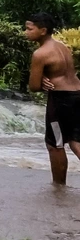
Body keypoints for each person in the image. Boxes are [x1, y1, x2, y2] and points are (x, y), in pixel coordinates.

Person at [25, 12, 80, 184]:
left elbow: (33, 87)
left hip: (61, 100)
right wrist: (43, 78)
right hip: (77, 94)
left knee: (55, 144)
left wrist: (39, 80)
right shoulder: (62, 46)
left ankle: (58, 187)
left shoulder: (40, 54)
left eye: (29, 29)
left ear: (43, 30)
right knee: (76, 142)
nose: (25, 32)